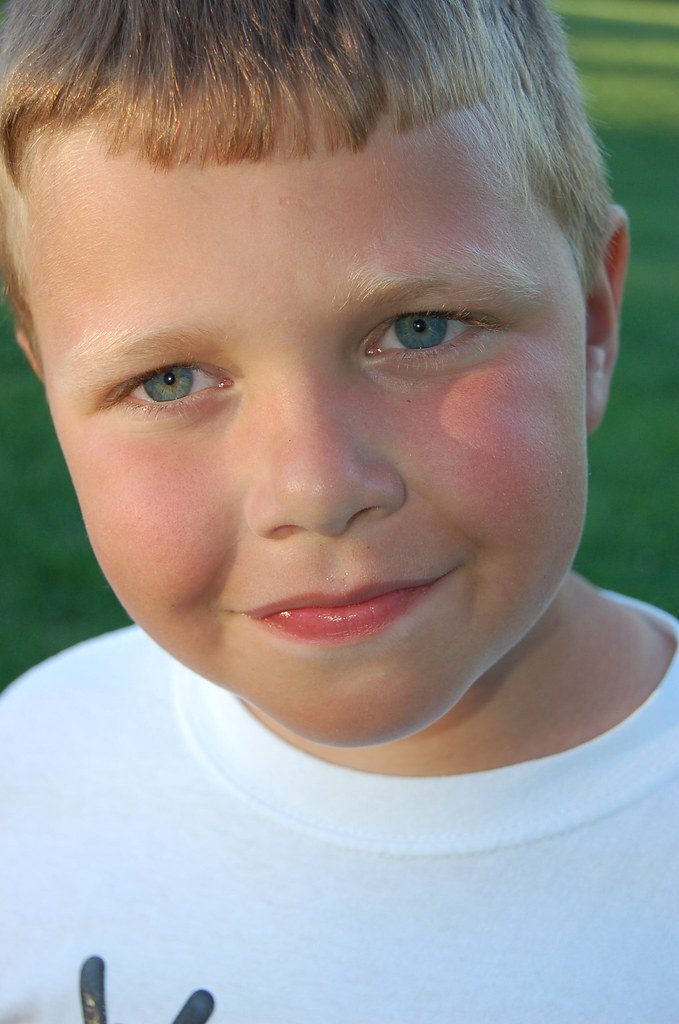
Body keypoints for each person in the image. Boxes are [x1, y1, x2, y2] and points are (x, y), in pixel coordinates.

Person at [0, 0, 677, 1020]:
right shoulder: (34, 765)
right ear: (49, 387)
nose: (317, 488)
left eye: (419, 328)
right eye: (170, 380)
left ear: (591, 323)